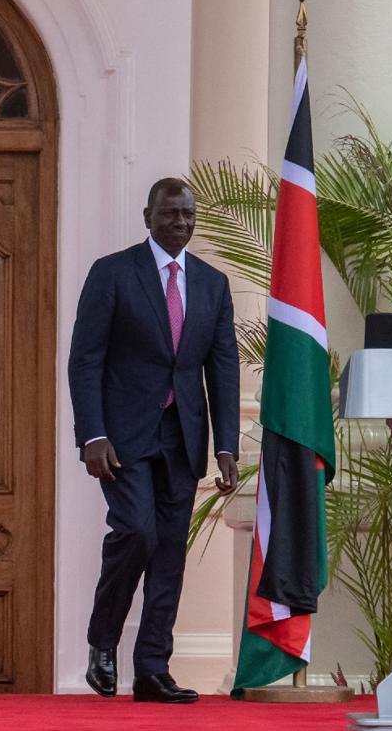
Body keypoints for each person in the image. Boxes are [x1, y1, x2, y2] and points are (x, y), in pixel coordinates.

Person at [67, 177, 240, 703]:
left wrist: (226, 445)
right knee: (136, 531)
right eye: (169, 214)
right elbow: (86, 358)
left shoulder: (213, 284)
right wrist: (92, 433)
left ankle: (151, 669)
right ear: (147, 217)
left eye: (188, 214)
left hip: (183, 436)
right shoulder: (113, 273)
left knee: (168, 552)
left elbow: (224, 368)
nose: (180, 223)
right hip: (122, 438)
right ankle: (102, 639)